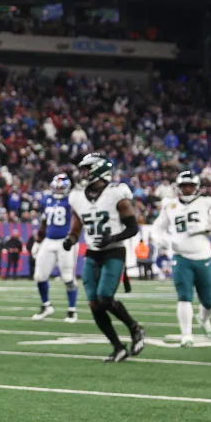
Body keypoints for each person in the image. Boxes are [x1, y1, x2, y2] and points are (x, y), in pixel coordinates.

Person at [64, 153, 145, 362]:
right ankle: (118, 347)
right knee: (94, 303)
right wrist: (71, 239)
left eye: (86, 169)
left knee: (105, 297)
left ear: (99, 169)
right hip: (92, 252)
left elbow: (133, 227)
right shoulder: (77, 196)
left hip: (114, 251)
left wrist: (112, 238)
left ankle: (135, 327)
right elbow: (77, 225)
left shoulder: (116, 192)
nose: (82, 173)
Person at [153, 170, 211, 347]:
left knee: (208, 302)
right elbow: (157, 229)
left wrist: (205, 228)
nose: (187, 189)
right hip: (181, 257)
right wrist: (165, 242)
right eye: (184, 186)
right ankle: (186, 335)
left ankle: (203, 319)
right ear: (178, 187)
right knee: (184, 296)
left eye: (190, 186)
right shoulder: (169, 205)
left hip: (203, 256)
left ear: (197, 187)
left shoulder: (207, 203)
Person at [31, 173, 79, 322]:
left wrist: (72, 238)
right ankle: (46, 306)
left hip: (65, 241)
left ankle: (72, 310)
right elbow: (44, 222)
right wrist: (38, 241)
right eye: (56, 188)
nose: (58, 190)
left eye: (61, 188)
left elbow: (78, 220)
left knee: (67, 277)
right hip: (49, 240)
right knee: (39, 276)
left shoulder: (72, 201)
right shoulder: (47, 200)